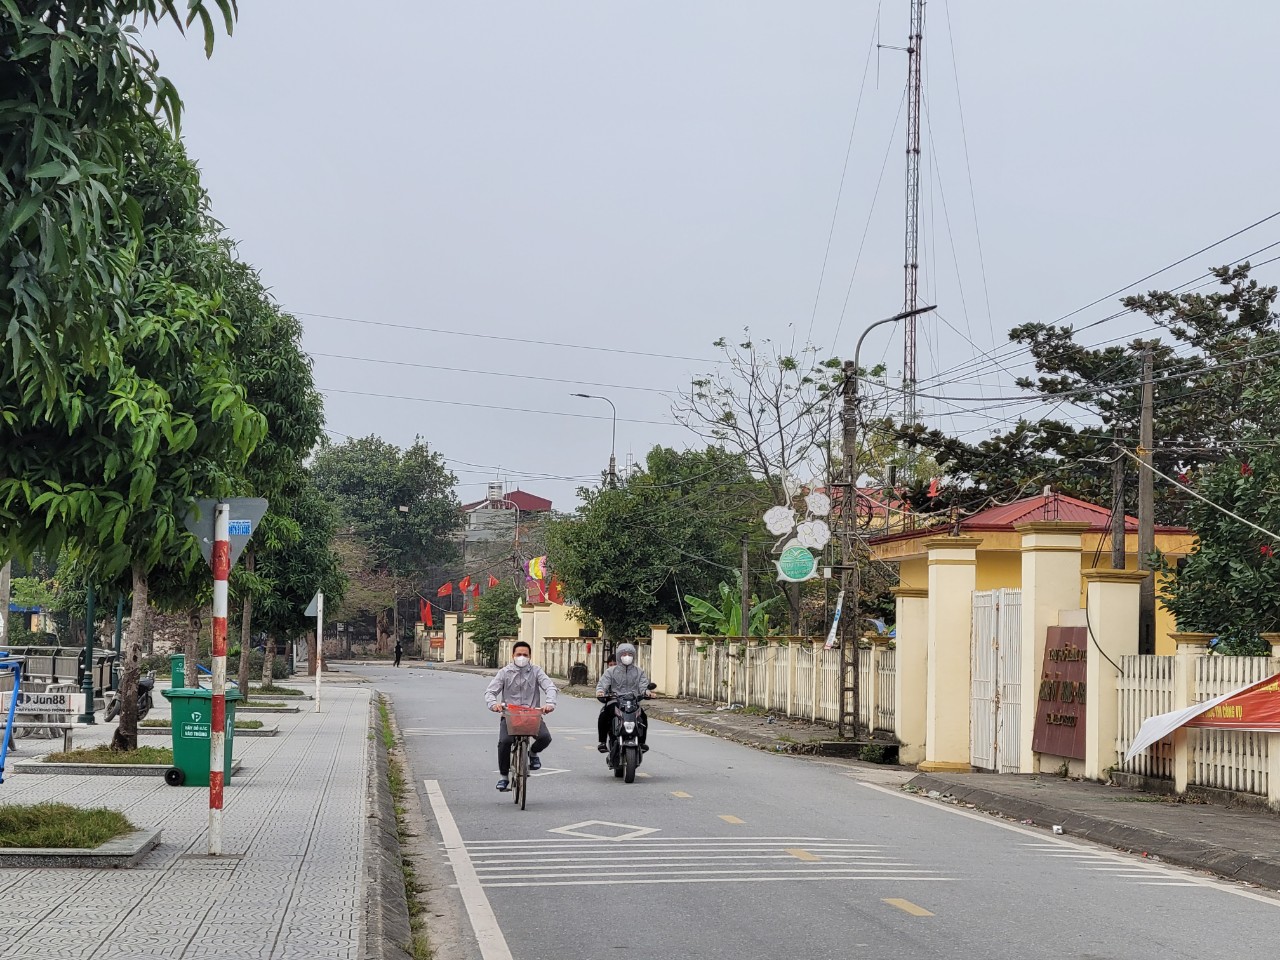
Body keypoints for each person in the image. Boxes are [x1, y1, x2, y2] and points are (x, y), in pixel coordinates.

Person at [485, 640, 557, 791]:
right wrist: (494, 704)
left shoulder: (537, 671)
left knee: (545, 737)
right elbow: (490, 692)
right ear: (513, 655)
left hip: (532, 715)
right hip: (510, 716)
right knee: (505, 742)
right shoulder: (504, 672)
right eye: (519, 654)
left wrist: (550, 704)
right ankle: (504, 777)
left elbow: (550, 687)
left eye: (525, 654)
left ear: (530, 656)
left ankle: (533, 752)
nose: (522, 657)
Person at [595, 642, 650, 754]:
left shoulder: (639, 671)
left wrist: (647, 692)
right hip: (615, 700)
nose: (627, 656)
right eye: (624, 654)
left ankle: (642, 742)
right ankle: (602, 742)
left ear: (633, 655)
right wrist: (600, 691)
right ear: (619, 656)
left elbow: (643, 685)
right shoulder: (611, 671)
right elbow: (603, 685)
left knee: (643, 717)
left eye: (629, 654)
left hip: (633, 701)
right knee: (603, 715)